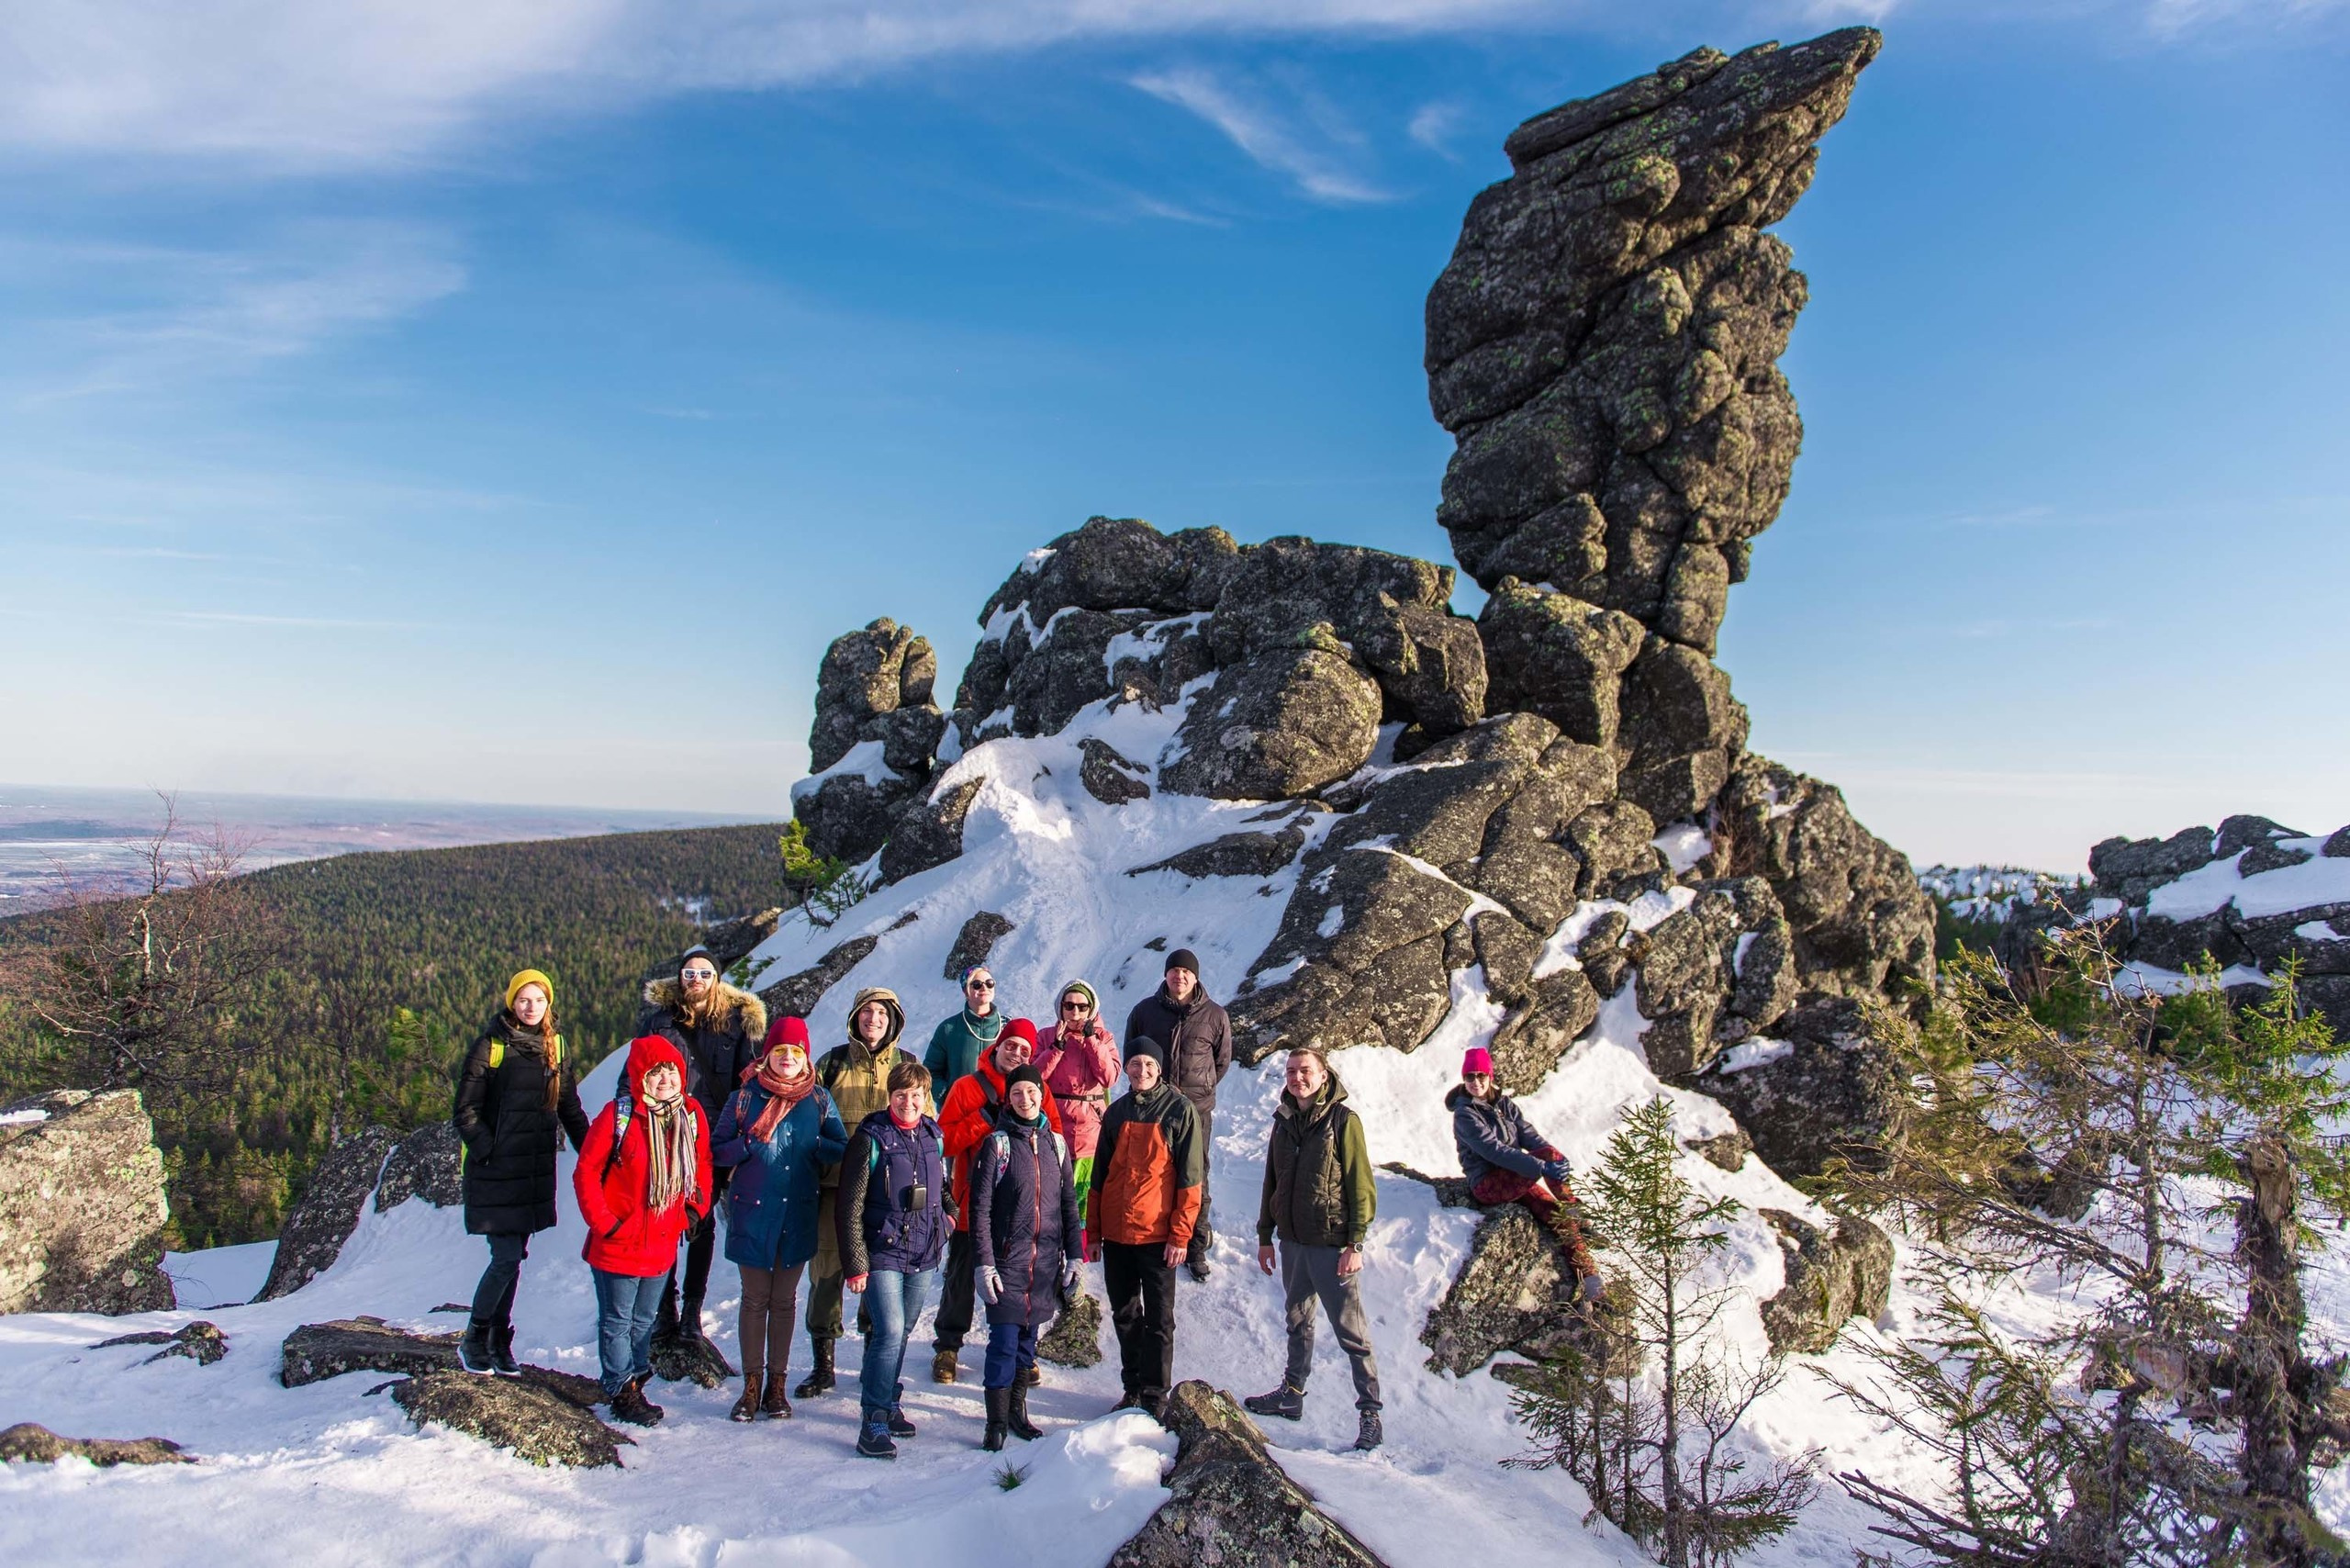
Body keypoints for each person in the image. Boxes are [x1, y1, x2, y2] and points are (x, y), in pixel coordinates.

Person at [452, 969, 591, 1375]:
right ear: (512, 1001)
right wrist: (486, 1150)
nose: (531, 1007)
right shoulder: (490, 1046)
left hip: (531, 1171)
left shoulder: (555, 1046)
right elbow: (465, 1110)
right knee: (507, 1257)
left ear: (549, 1003)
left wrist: (593, 1153)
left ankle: (498, 1340)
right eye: (524, 999)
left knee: (514, 1258)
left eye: (539, 1000)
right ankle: (476, 1336)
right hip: (496, 1171)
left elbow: (569, 1107)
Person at [1245, 1046, 1384, 1452]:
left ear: (1324, 1075)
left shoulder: (1343, 1120)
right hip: (1292, 1242)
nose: (1297, 1077)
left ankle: (1370, 1413)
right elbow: (1272, 1179)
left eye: (1305, 1070)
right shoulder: (1283, 1120)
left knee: (1351, 1332)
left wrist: (1355, 1242)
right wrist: (1264, 1235)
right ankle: (1292, 1393)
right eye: (1291, 1071)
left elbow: (1361, 1183)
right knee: (1298, 1321)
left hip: (1331, 1244)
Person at [712, 1015, 847, 1422]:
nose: (788, 1058)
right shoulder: (743, 1097)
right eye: (780, 1050)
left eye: (796, 1051)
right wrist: (748, 1145)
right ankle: (751, 1387)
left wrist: (815, 1144)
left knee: (784, 1301)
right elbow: (718, 1150)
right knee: (755, 1300)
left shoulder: (819, 1099)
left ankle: (776, 1386)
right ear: (767, 1055)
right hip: (753, 1211)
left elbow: (840, 1146)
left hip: (798, 1211)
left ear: (805, 1057)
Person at [574, 1035, 712, 1428]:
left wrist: (694, 1208)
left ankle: (634, 1378)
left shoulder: (690, 1115)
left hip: (661, 1242)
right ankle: (621, 1388)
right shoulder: (618, 1117)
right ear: (640, 1077)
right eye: (656, 1072)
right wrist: (605, 1223)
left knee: (645, 1319)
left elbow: (702, 1164)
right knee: (618, 1320)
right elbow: (585, 1172)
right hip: (618, 1243)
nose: (665, 1078)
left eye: (671, 1069)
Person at [638, 944, 767, 1349]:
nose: (696, 980)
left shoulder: (736, 1022)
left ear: (717, 979)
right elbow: (636, 1070)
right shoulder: (659, 1021)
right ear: (680, 978)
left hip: (708, 1138)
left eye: (704, 974)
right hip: (661, 1135)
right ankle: (665, 1310)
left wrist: (737, 1138)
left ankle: (691, 1311)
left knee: (701, 1224)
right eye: (690, 973)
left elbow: (745, 1084)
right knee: (661, 1222)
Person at [800, 986, 919, 1400]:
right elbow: (805, 1120)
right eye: (867, 1012)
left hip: (886, 1195)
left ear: (894, 1020)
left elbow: (924, 1124)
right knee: (827, 1274)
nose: (874, 1020)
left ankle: (874, 1363)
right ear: (855, 1017)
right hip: (834, 1189)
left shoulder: (906, 1064)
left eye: (883, 1014)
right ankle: (823, 1365)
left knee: (881, 1278)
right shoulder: (831, 1063)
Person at [933, 1018, 1065, 1384]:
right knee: (961, 1276)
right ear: (997, 1046)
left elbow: (1053, 1139)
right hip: (972, 1203)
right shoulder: (966, 1088)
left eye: (1025, 1049)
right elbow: (943, 1142)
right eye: (1012, 1045)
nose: (1017, 1052)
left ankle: (1023, 1352)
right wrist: (981, 1120)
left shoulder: (1038, 1090)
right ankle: (947, 1346)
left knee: (1022, 1279)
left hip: (1020, 1211)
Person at [836, 1060, 949, 1461]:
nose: (908, 1102)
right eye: (901, 1095)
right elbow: (849, 1206)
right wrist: (855, 1263)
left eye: (916, 1095)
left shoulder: (932, 1135)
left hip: (923, 1250)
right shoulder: (871, 1138)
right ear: (890, 1096)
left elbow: (944, 1186)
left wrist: (948, 1218)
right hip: (882, 1250)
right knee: (889, 1330)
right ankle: (873, 1420)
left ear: (925, 1098)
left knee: (902, 1332)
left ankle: (888, 1399)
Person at [1087, 1036, 1203, 1419]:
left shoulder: (1179, 1111)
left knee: (1159, 1320)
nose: (1141, 1071)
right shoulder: (1116, 1112)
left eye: (1149, 1065)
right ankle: (1132, 1387)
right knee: (1124, 1314)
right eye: (1135, 1064)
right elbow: (1099, 1176)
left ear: (1159, 1068)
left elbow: (1190, 1180)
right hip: (1118, 1235)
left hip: (1157, 1237)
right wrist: (1094, 1232)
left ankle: (1155, 1396)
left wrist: (1180, 1235)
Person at [969, 1063, 1082, 1450]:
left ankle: (1018, 1413)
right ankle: (995, 1423)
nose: (1025, 1099)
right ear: (1009, 1099)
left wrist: (1076, 1256)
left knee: (1026, 1344)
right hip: (1007, 1263)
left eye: (1031, 1092)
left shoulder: (1057, 1144)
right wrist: (984, 1262)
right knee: (1002, 1341)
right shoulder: (997, 1145)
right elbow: (979, 1209)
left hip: (1045, 1266)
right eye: (1017, 1093)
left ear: (1041, 1094)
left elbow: (1069, 1204)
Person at [1447, 1046, 1603, 1296]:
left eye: (1480, 1076)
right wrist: (1543, 1167)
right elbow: (1494, 1151)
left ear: (1490, 1076)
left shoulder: (1504, 1105)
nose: (1475, 1082)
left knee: (1559, 1218)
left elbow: (1529, 1137)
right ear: (1464, 1079)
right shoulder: (1465, 1114)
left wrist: (1555, 1159)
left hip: (1516, 1178)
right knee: (1547, 1164)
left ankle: (1593, 1283)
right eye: (1469, 1077)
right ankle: (1575, 1209)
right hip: (1488, 1184)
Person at [1124, 948, 1232, 1280]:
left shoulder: (1215, 1015)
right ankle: (1150, 1237)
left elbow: (1221, 1062)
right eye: (1174, 971)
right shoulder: (1144, 1011)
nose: (1179, 976)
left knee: (1194, 1175)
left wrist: (1195, 1093)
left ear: (1195, 977)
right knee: (1148, 1172)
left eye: (1186, 972)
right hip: (1152, 1109)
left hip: (1196, 1111)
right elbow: (1132, 1052)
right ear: (1166, 974)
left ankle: (1196, 1245)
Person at [1035, 978, 1119, 1215]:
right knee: (1050, 1199)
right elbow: (1034, 1078)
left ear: (1092, 1009)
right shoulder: (1046, 1036)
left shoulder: (1104, 1037)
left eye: (1082, 1007)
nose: (1075, 1012)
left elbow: (1109, 1077)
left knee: (1084, 1200)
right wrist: (1056, 1048)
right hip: (1054, 1126)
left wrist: (1092, 1041)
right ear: (1060, 1008)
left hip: (1089, 1132)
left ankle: (1080, 1249)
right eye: (1069, 1005)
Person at [924, 964, 1004, 1095]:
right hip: (959, 1110)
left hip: (999, 1111)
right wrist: (949, 1095)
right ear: (966, 991)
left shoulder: (1007, 1026)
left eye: (989, 983)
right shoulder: (948, 1029)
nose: (984, 987)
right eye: (977, 984)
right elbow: (930, 1072)